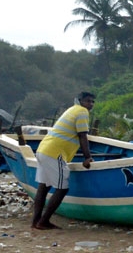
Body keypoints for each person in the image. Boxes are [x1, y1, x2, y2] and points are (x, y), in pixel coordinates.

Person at [31, 92, 95, 230]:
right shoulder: (82, 112)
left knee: (44, 187)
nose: (90, 104)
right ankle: (43, 221)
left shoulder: (72, 109)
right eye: (87, 101)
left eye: (92, 102)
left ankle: (35, 221)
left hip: (44, 149)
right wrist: (87, 157)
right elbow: (82, 136)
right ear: (80, 101)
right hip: (55, 153)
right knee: (62, 188)